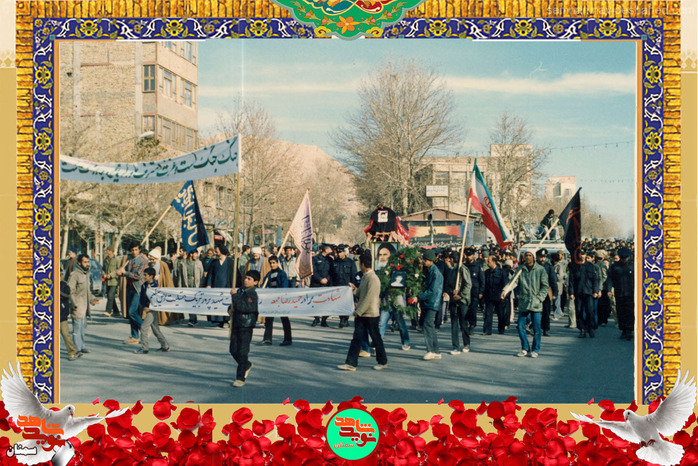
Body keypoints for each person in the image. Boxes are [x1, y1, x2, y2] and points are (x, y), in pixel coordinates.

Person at [337, 252, 388, 371]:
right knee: (356, 338)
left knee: (376, 339)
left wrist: (358, 311)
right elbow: (360, 293)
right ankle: (351, 363)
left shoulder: (373, 279)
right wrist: (354, 289)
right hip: (363, 314)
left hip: (370, 314)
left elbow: (369, 298)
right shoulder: (366, 277)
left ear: (363, 264)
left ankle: (382, 361)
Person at [510, 251, 548, 358]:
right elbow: (513, 282)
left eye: (529, 255)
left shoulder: (540, 269)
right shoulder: (520, 269)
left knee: (536, 328)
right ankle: (525, 348)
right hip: (524, 302)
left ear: (533, 257)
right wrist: (505, 290)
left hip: (536, 303)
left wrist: (539, 298)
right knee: (520, 326)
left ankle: (535, 349)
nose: (527, 257)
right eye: (526, 255)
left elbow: (545, 286)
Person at [229, 270, 261, 388]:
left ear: (255, 282)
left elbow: (244, 307)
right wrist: (230, 309)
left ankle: (240, 378)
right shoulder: (241, 290)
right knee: (233, 350)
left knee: (243, 352)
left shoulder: (252, 294)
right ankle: (246, 365)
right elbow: (235, 305)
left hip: (246, 325)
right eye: (245, 278)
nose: (246, 280)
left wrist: (234, 296)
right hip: (236, 324)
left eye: (249, 279)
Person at [413, 250, 443, 361]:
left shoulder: (435, 273)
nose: (423, 261)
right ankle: (436, 351)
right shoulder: (429, 270)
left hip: (432, 302)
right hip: (428, 302)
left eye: (425, 260)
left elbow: (431, 291)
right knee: (430, 326)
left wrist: (419, 297)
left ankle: (430, 350)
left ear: (431, 260)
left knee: (427, 324)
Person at [117, 242, 147, 344]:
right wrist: (120, 272)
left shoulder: (143, 260)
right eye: (132, 250)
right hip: (129, 287)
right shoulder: (129, 259)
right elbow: (125, 272)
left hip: (138, 288)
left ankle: (144, 328)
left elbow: (138, 276)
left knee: (132, 311)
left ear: (139, 250)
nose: (134, 252)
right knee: (131, 314)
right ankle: (135, 336)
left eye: (136, 250)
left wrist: (125, 272)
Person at [134, 267, 170, 354]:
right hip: (147, 309)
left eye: (146, 275)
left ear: (151, 276)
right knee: (155, 329)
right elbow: (142, 298)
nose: (144, 276)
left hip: (152, 310)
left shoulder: (155, 287)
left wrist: (150, 308)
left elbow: (157, 300)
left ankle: (144, 348)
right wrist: (143, 308)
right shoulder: (144, 285)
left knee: (144, 327)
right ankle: (165, 346)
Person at [261, 255, 292, 346]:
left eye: (274, 263)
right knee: (269, 319)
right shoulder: (269, 274)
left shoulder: (282, 274)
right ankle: (267, 338)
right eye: (270, 263)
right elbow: (264, 284)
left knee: (284, 319)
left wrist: (280, 295)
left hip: (280, 299)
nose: (272, 265)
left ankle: (288, 339)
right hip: (271, 300)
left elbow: (284, 286)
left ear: (277, 263)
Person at [444, 251, 471, 354]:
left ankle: (466, 343)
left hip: (462, 301)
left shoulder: (463, 269)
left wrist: (460, 295)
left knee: (463, 323)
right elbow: (448, 284)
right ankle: (455, 346)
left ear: (452, 259)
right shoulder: (451, 270)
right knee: (454, 324)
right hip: (453, 300)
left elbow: (468, 284)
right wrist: (451, 292)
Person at [569, 250, 601, 338]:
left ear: (585, 255)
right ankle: (582, 329)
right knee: (579, 311)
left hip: (589, 292)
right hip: (578, 292)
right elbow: (571, 281)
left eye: (583, 254)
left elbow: (595, 280)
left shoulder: (591, 266)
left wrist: (595, 291)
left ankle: (590, 328)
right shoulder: (574, 267)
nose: (581, 256)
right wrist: (571, 292)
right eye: (580, 254)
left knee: (590, 311)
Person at [67, 254, 91, 355]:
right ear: (79, 263)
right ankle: (77, 348)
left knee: (83, 327)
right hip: (77, 306)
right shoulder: (75, 275)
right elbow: (70, 290)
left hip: (85, 306)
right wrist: (73, 304)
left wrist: (92, 299)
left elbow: (87, 291)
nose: (87, 264)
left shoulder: (86, 274)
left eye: (88, 262)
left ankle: (82, 346)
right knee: (77, 328)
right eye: (85, 262)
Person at [207, 245, 236, 328]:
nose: (215, 253)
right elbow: (210, 275)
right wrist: (209, 284)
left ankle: (226, 320)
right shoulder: (214, 262)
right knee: (217, 303)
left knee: (226, 304)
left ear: (222, 251)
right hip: (216, 286)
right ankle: (218, 320)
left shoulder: (230, 262)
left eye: (217, 251)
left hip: (227, 287)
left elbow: (234, 275)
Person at [609, 247, 634, 341]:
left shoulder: (633, 266)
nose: (624, 260)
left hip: (631, 293)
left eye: (626, 258)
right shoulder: (614, 266)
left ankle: (629, 330)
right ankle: (623, 330)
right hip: (619, 293)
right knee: (620, 312)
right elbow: (610, 279)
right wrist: (609, 289)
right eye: (622, 258)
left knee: (630, 312)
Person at [331, 245, 358, 328]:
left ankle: (345, 319)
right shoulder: (335, 262)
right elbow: (332, 275)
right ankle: (342, 319)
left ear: (344, 252)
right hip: (338, 286)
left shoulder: (350, 262)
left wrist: (353, 285)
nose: (339, 254)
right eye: (338, 252)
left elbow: (354, 274)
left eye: (340, 252)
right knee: (339, 304)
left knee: (346, 303)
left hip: (347, 287)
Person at [60, 264, 81, 361]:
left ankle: (72, 351)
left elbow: (67, 295)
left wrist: (58, 292)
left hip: (62, 314)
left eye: (61, 275)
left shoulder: (64, 285)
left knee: (65, 333)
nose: (60, 277)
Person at [179, 249, 205, 326]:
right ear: (191, 254)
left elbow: (201, 274)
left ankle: (192, 319)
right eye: (195, 254)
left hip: (195, 284)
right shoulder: (183, 263)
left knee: (194, 302)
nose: (196, 255)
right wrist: (179, 287)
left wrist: (200, 285)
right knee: (188, 302)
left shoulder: (198, 262)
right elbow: (180, 276)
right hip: (186, 284)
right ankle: (193, 318)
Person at [483, 255, 507, 335]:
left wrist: (504, 294)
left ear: (493, 262)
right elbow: (484, 284)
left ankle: (501, 329)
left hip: (499, 296)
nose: (487, 263)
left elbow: (505, 284)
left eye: (489, 261)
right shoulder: (487, 272)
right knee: (488, 314)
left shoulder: (501, 272)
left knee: (500, 314)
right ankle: (488, 330)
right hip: (489, 295)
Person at [536, 249, 558, 337]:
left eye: (544, 257)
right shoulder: (533, 265)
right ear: (537, 257)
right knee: (534, 311)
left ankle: (545, 329)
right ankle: (533, 327)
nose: (542, 259)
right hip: (535, 291)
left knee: (546, 311)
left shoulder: (549, 266)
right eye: (541, 257)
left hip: (545, 292)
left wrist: (555, 293)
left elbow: (553, 280)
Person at [311, 244, 333, 327]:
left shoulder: (330, 259)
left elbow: (331, 271)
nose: (331, 250)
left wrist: (327, 279)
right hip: (316, 283)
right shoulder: (314, 258)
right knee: (315, 302)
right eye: (330, 249)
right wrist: (320, 279)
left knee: (326, 302)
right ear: (326, 250)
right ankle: (316, 318)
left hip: (327, 283)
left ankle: (324, 319)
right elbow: (313, 271)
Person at [464, 248, 485, 335]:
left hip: (475, 291)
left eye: (470, 255)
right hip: (465, 291)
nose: (468, 257)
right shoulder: (464, 266)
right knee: (465, 309)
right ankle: (465, 324)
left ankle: (472, 325)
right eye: (467, 255)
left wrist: (481, 292)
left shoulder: (478, 266)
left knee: (473, 309)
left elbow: (482, 280)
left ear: (473, 255)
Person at [101, 245, 120, 317]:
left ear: (111, 251)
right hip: (107, 281)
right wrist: (104, 274)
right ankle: (116, 311)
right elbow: (103, 269)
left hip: (114, 281)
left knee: (110, 295)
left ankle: (108, 311)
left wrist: (111, 275)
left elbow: (118, 269)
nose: (106, 251)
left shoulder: (116, 259)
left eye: (107, 250)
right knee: (111, 296)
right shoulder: (105, 259)